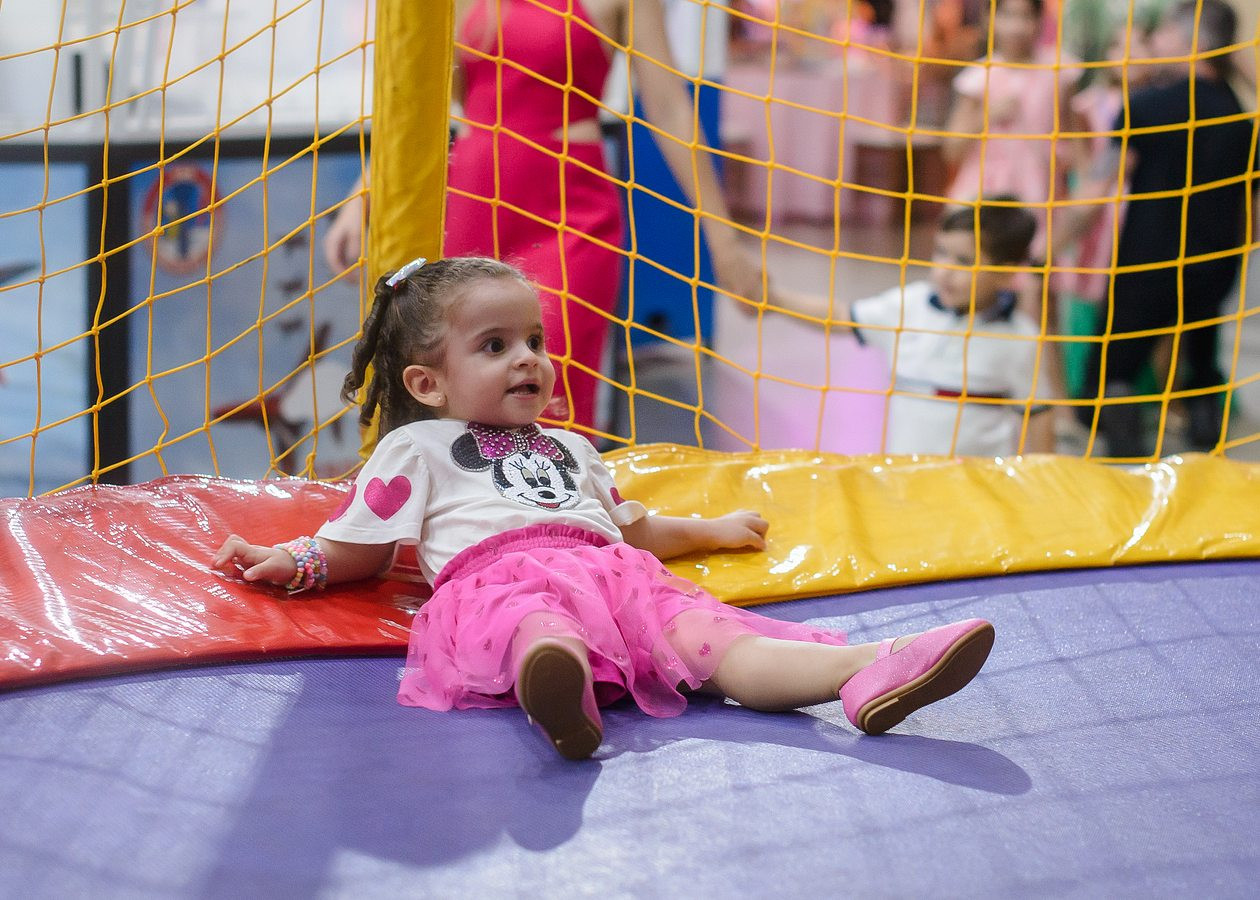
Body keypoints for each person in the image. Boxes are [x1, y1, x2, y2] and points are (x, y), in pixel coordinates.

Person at [212, 255, 996, 760]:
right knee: (532, 622)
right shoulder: (415, 447)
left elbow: (636, 531)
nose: (528, 359)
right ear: (428, 384)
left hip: (619, 579)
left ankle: (863, 668)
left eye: (534, 341)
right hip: (499, 581)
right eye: (495, 346)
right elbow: (363, 546)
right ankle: (559, 687)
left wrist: (713, 530)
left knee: (719, 642)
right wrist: (294, 561)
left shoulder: (573, 446)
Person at [323, 0, 767, 434]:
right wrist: (361, 198)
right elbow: (419, 101)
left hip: (569, 215)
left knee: (548, 392)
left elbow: (670, 108)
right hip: (470, 208)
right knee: (457, 396)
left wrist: (725, 243)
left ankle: (553, 486)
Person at [1065, 0, 1257, 458]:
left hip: (1147, 262)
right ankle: (1204, 438)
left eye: (1167, 33)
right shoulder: (1240, 118)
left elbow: (1096, 191)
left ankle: (1124, 445)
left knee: (1112, 369)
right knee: (1201, 349)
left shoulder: (1147, 107)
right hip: (1214, 265)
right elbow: (1252, 213)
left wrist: (1046, 249)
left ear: (1196, 43)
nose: (1156, 42)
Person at [777, 200, 1055, 457]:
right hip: (904, 478)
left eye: (964, 261)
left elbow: (1038, 412)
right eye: (941, 253)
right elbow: (839, 316)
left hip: (975, 485)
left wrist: (1042, 479)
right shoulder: (909, 306)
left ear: (1005, 274)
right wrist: (774, 298)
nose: (945, 270)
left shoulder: (1020, 337)